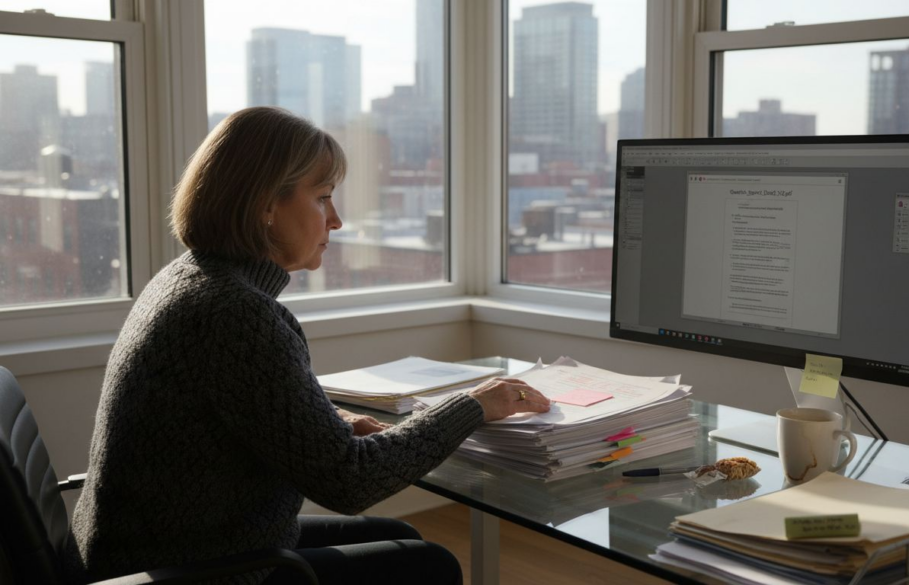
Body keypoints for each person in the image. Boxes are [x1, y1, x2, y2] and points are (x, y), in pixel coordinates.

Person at [61, 106, 551, 584]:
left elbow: (239, 411)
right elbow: (349, 482)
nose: (335, 220)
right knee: (430, 565)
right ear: (266, 205)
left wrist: (335, 422)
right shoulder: (235, 314)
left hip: (149, 546)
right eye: (322, 198)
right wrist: (472, 406)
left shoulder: (190, 278)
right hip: (186, 567)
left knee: (399, 536)